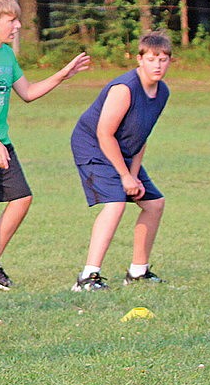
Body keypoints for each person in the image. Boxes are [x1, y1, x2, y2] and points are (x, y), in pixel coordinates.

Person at [0, 0, 90, 290]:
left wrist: (63, 75)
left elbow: (27, 92)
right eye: (11, 20)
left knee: (22, 197)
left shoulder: (6, 55)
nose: (17, 25)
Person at [70, 31, 172, 291]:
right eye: (151, 59)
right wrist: (124, 176)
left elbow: (142, 135)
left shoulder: (162, 92)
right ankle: (87, 277)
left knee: (154, 204)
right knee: (115, 203)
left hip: (125, 149)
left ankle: (138, 272)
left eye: (163, 59)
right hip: (93, 145)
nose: (157, 65)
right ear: (139, 59)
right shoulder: (124, 88)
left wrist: (134, 174)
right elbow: (104, 134)